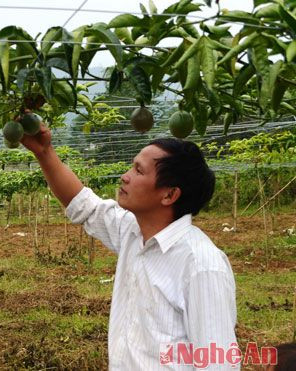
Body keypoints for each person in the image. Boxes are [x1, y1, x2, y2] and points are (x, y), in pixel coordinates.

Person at [20, 121, 238, 370]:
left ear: (169, 195)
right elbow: (83, 205)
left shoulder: (201, 265)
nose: (125, 176)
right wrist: (44, 152)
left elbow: (217, 363)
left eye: (138, 171)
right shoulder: (133, 232)